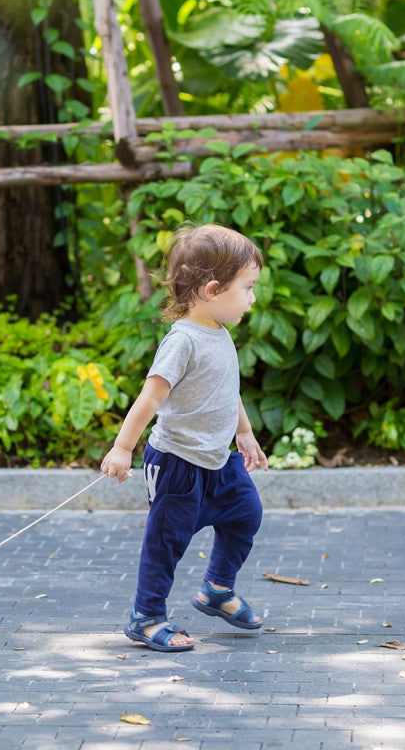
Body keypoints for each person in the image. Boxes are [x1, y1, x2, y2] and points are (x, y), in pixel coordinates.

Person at [101, 223, 268, 652]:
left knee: (246, 514)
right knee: (166, 542)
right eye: (247, 288)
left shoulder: (220, 333)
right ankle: (147, 616)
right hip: (177, 463)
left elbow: (228, 392)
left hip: (218, 459)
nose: (253, 298)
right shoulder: (183, 341)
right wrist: (123, 449)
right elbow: (150, 398)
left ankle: (216, 589)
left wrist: (245, 435)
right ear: (213, 290)